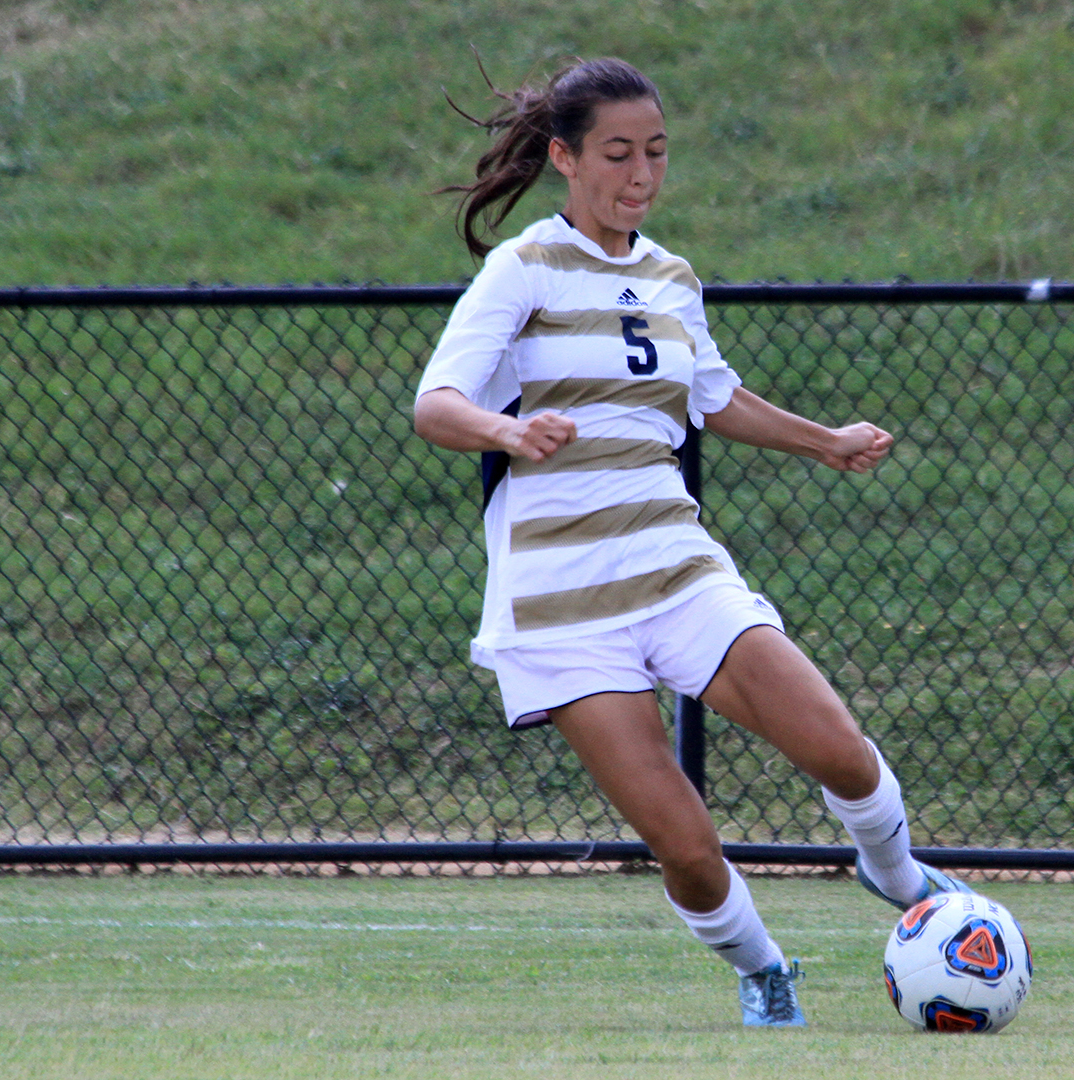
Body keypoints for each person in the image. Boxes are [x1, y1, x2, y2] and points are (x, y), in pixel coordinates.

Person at [412, 56, 970, 1028]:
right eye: (618, 154)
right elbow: (436, 405)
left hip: (674, 567)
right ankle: (762, 970)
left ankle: (897, 874)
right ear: (564, 159)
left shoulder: (671, 278)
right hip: (560, 607)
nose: (642, 174)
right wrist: (507, 431)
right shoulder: (523, 270)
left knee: (838, 748)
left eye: (657, 153)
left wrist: (826, 441)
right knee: (687, 845)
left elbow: (713, 395)